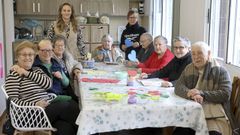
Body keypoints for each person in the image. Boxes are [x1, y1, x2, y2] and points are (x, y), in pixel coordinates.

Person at [5, 40, 80, 135]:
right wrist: (34, 104)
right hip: (28, 115)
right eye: (24, 55)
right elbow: (12, 102)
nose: (28, 57)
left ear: (34, 56)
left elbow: (48, 84)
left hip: (46, 111)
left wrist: (26, 73)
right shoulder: (13, 76)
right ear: (17, 57)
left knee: (65, 128)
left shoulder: (36, 70)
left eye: (30, 55)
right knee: (67, 106)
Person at [174, 41, 232, 135]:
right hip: (192, 112)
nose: (196, 57)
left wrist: (202, 93)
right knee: (180, 132)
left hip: (215, 114)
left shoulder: (221, 71)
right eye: (193, 54)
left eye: (200, 53)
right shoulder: (189, 68)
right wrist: (190, 93)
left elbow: (225, 94)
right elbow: (178, 86)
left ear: (209, 54)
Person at [52, 34, 83, 99]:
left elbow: (77, 63)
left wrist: (76, 69)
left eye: (62, 45)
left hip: (70, 86)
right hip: (60, 90)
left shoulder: (67, 56)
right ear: (53, 47)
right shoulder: (51, 59)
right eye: (57, 45)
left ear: (65, 46)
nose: (60, 47)